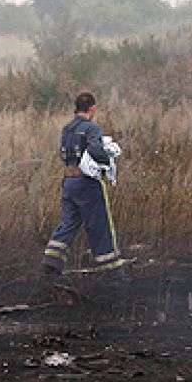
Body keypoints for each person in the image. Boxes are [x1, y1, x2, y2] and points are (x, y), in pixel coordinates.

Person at [42, 92, 124, 276]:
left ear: (76, 108)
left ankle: (51, 261)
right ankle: (111, 272)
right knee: (99, 225)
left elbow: (64, 155)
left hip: (69, 183)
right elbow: (95, 150)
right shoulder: (91, 128)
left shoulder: (67, 129)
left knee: (69, 222)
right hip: (87, 184)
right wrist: (107, 159)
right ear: (92, 108)